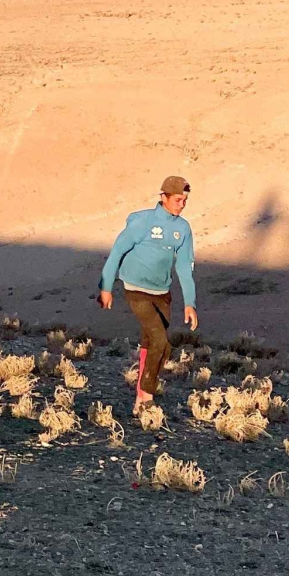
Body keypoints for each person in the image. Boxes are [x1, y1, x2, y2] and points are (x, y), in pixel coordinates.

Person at [98, 176, 197, 413]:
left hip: (162, 292)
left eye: (184, 200)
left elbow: (184, 266)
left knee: (152, 344)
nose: (181, 204)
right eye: (177, 199)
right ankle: (148, 395)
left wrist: (189, 303)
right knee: (161, 342)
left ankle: (140, 398)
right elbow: (116, 252)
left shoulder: (182, 228)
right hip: (135, 290)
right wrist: (106, 287)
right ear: (163, 197)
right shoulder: (143, 222)